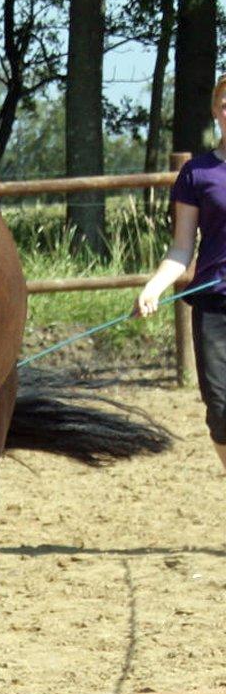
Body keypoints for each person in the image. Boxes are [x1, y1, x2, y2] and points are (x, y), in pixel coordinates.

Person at [135, 73, 226, 474]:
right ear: (215, 112)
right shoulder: (197, 174)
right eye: (225, 104)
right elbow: (181, 247)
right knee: (221, 411)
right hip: (214, 307)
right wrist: (154, 287)